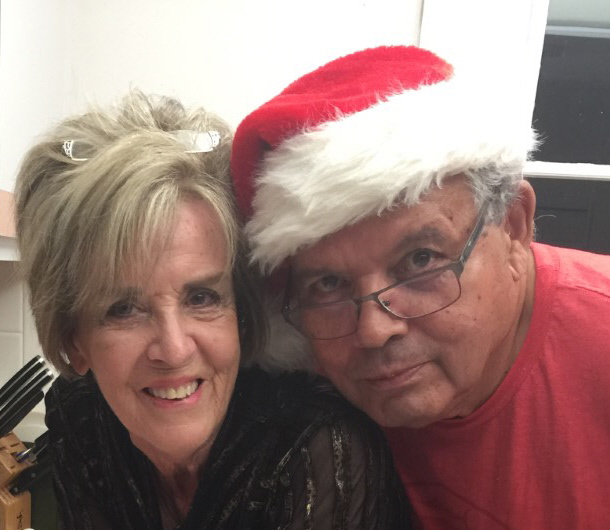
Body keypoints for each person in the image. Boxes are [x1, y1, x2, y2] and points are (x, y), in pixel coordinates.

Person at [229, 45, 610, 529]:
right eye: (328, 283)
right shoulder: (304, 384)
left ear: (514, 225)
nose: (373, 330)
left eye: (421, 259)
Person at [13, 91, 410, 530]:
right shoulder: (81, 417)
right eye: (123, 309)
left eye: (201, 298)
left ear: (240, 309)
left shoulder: (317, 451)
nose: (174, 350)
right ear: (74, 340)